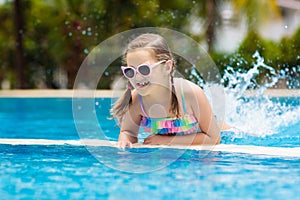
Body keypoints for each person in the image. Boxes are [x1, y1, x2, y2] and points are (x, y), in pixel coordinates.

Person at [111, 33, 230, 149]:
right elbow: (128, 132)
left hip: (227, 136)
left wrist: (166, 141)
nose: (137, 77)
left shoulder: (190, 94)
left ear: (167, 67)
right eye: (130, 71)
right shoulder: (137, 100)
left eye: (144, 69)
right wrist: (125, 141)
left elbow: (213, 138)